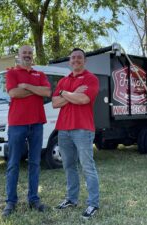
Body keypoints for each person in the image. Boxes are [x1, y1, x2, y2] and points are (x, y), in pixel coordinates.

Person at [2, 45, 51, 217]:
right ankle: (10, 202)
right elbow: (14, 93)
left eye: (30, 53)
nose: (28, 55)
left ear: (33, 56)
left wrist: (28, 86)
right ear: (19, 55)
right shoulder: (12, 73)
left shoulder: (40, 74)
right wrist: (36, 90)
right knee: (14, 163)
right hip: (17, 124)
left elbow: (47, 91)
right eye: (25, 53)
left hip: (37, 123)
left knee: (35, 163)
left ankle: (33, 199)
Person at [52, 48, 100, 219]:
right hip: (63, 129)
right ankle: (72, 199)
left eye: (79, 57)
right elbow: (55, 103)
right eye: (73, 58)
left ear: (84, 61)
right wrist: (70, 93)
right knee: (68, 166)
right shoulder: (63, 81)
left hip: (83, 128)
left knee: (87, 166)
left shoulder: (91, 79)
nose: (76, 60)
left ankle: (93, 204)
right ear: (69, 61)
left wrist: (65, 95)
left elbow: (84, 99)